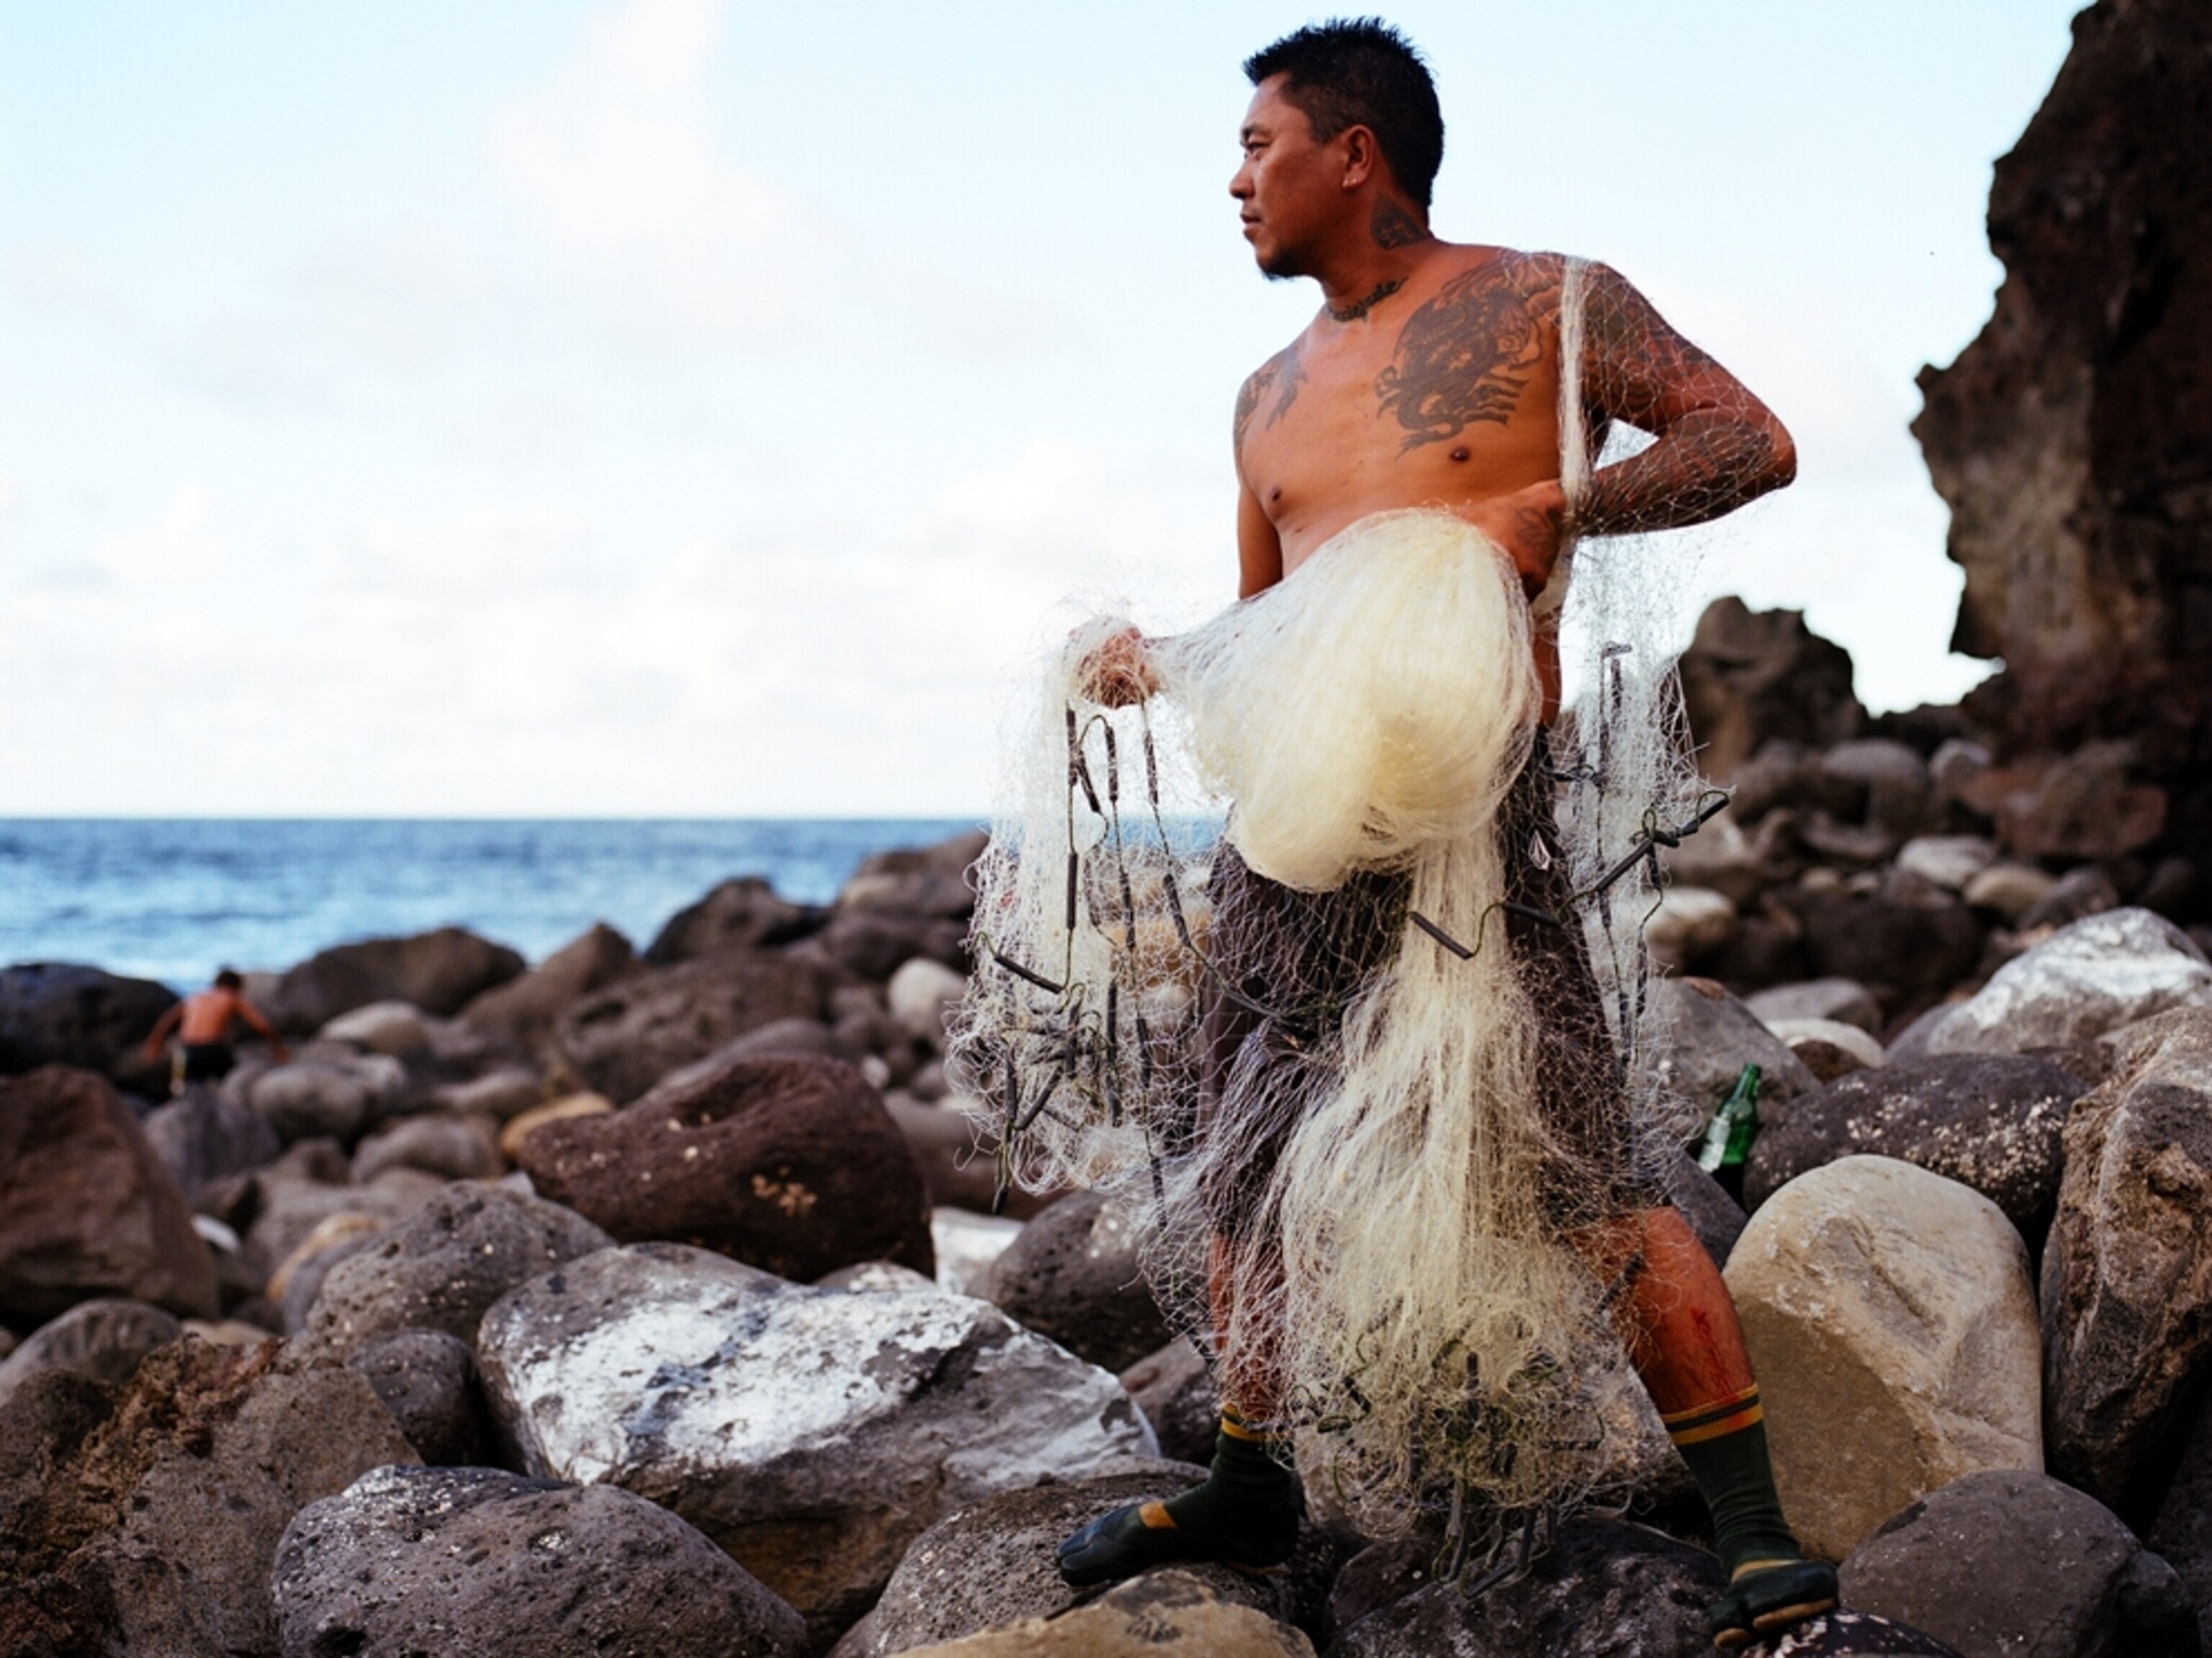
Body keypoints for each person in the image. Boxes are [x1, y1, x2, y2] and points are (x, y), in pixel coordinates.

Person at [1051, 21, 1836, 1648]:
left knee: (1578, 1167)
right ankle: (1250, 1472)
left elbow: (1744, 440)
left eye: (1257, 146)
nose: (1232, 179)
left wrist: (1550, 505)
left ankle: (1755, 1527)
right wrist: (1162, 663)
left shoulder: (1544, 303)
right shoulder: (1260, 398)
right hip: (1290, 836)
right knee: (1244, 1158)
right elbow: (1277, 634)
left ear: (1353, 154)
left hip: (1474, 817)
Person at [141, 968, 287, 1090]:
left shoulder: (196, 998)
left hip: (186, 1051)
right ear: (235, 986)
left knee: (182, 1090)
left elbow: (167, 1020)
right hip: (213, 1050)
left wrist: (154, 1043)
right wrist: (278, 1048)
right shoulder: (230, 997)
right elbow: (261, 1024)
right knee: (229, 1084)